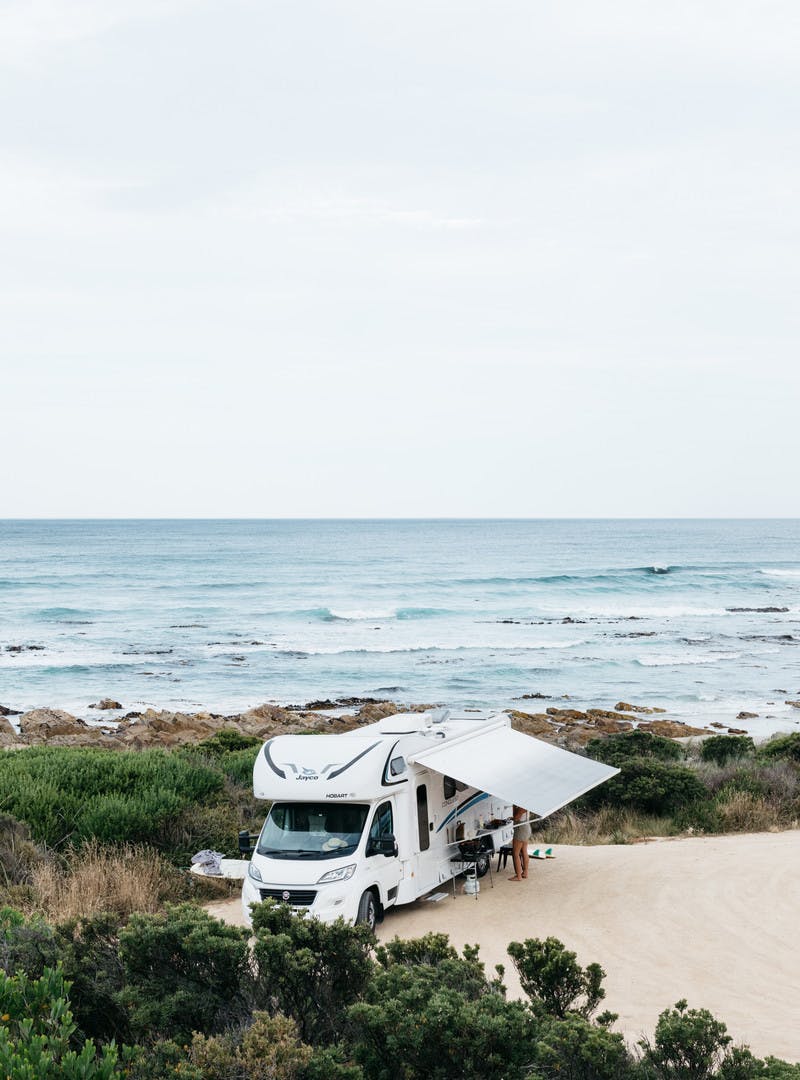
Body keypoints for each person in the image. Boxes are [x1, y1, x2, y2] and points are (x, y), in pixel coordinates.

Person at [509, 805, 531, 881]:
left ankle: (518, 876)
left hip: (521, 828)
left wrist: (514, 808)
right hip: (525, 827)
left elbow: (516, 817)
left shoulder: (523, 806)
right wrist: (514, 806)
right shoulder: (523, 803)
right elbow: (515, 815)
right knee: (524, 851)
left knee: (515, 853)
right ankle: (525, 873)